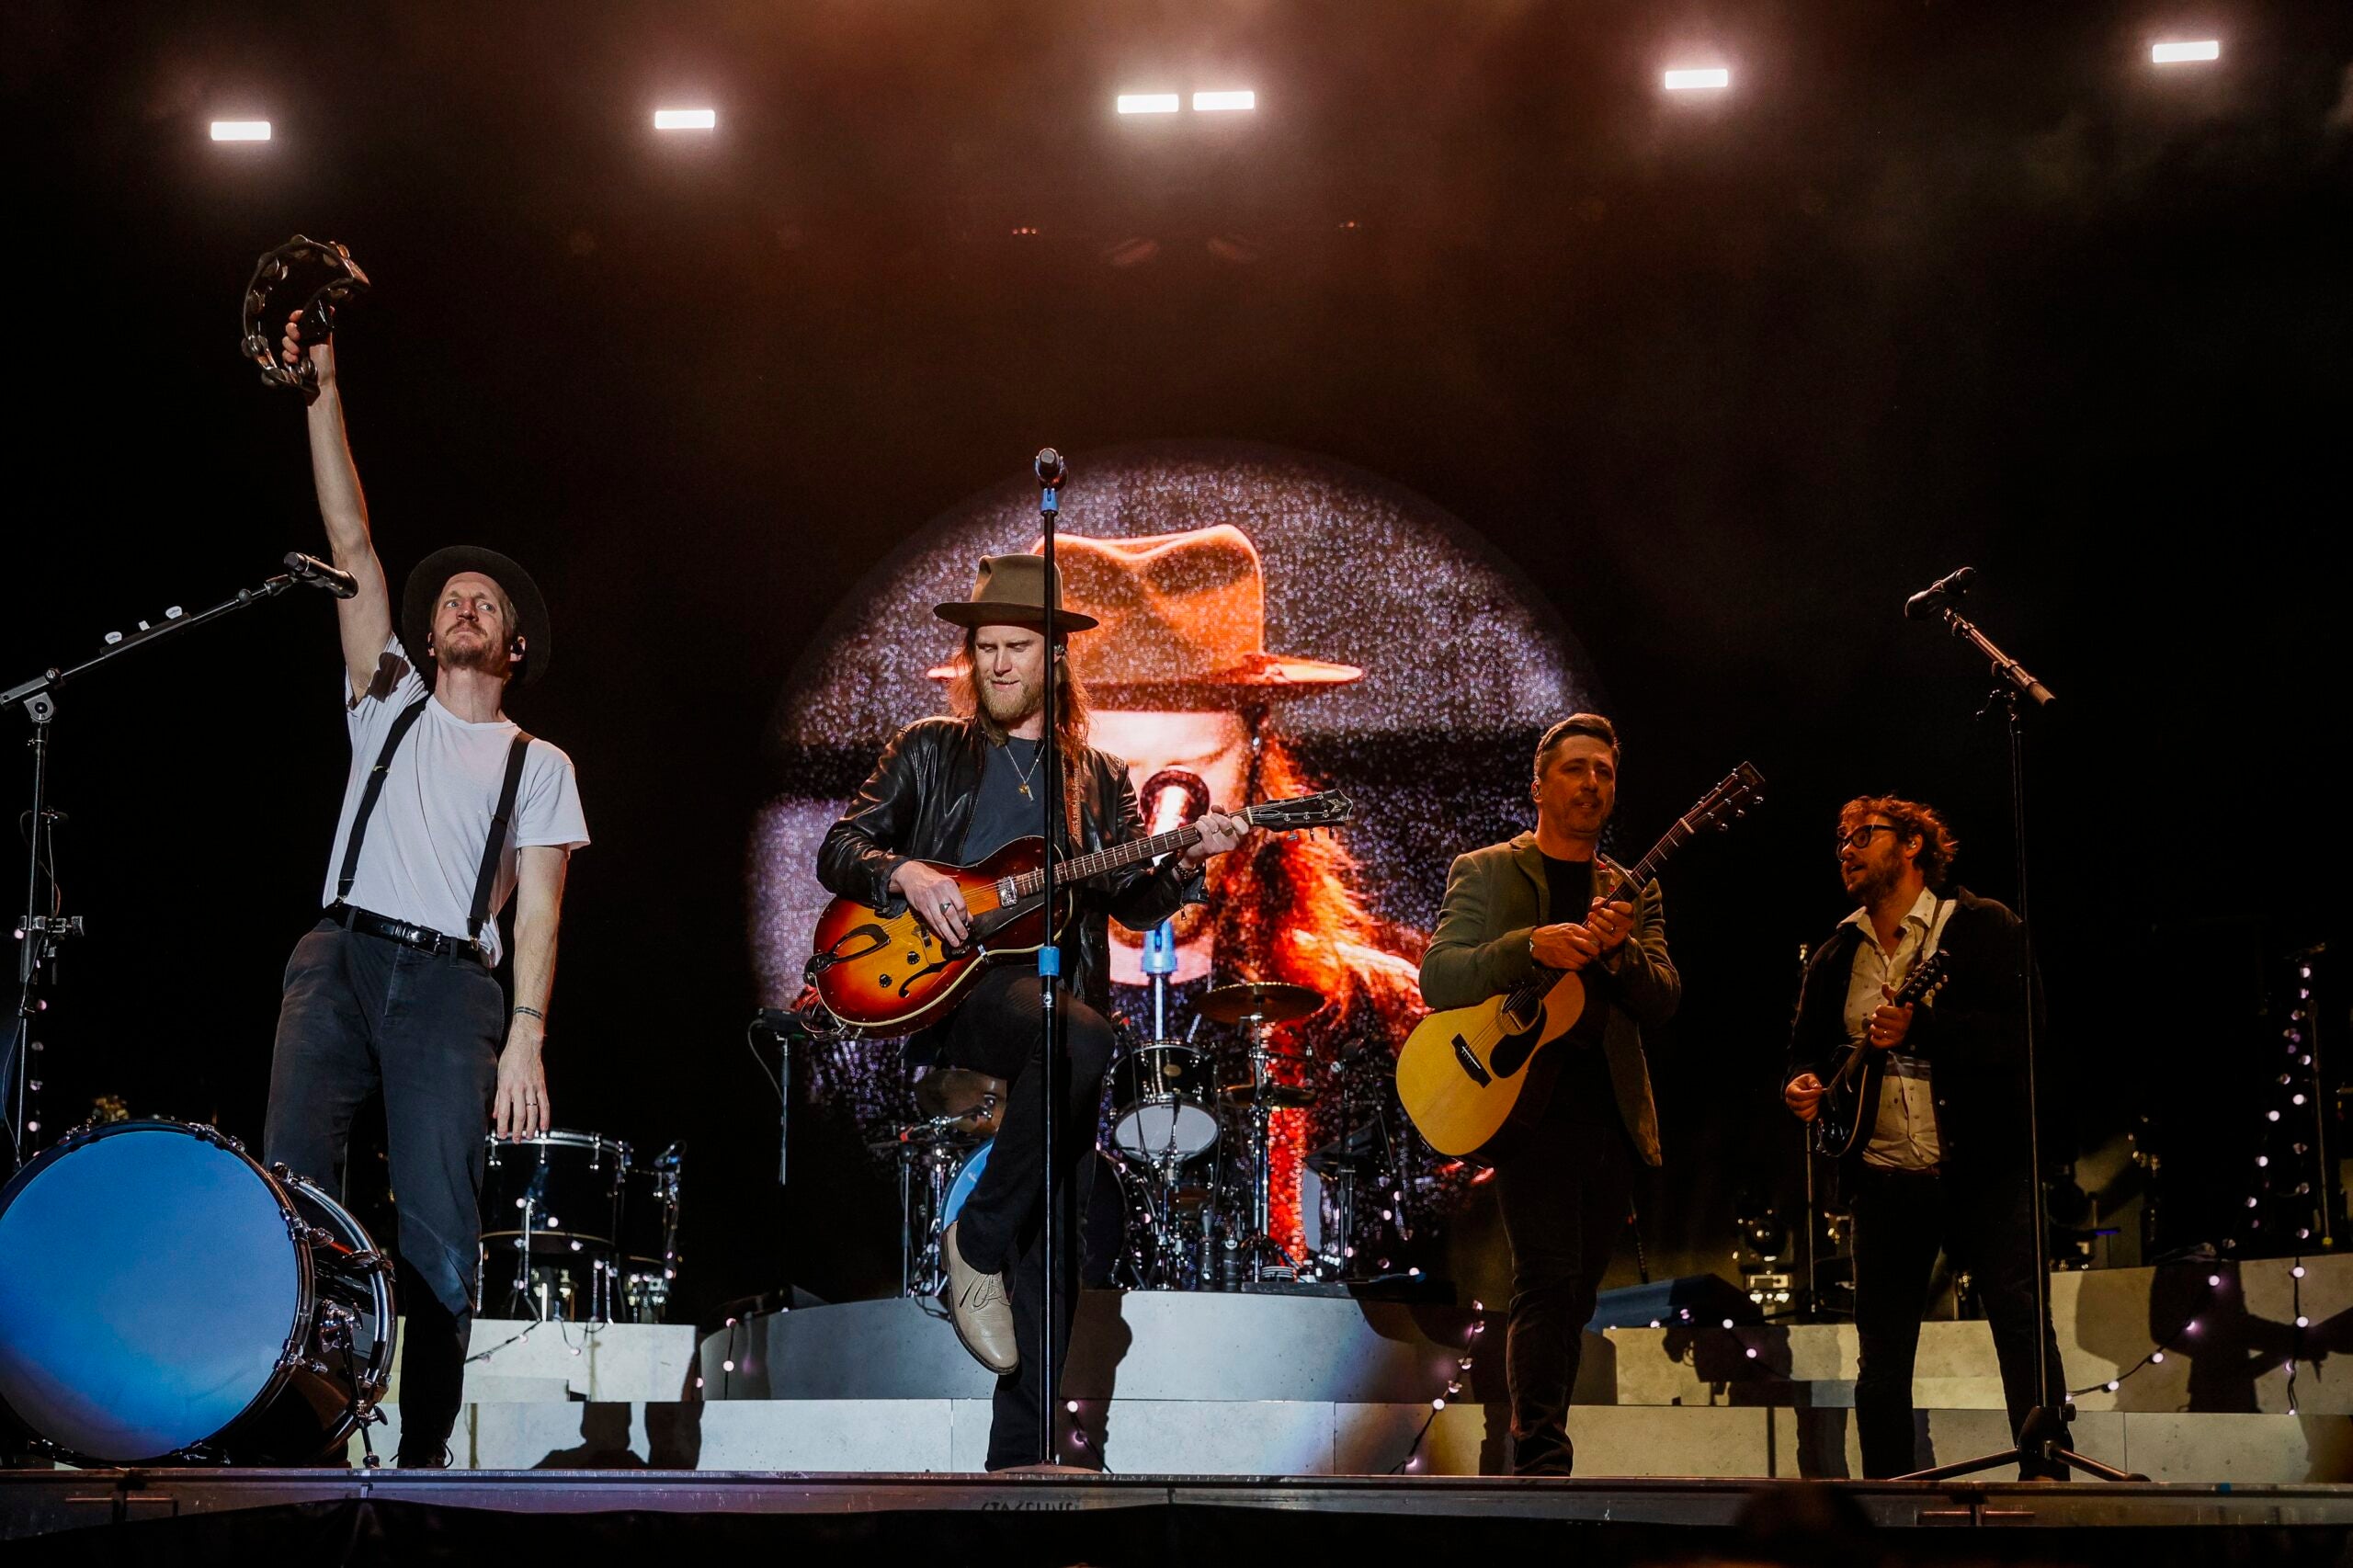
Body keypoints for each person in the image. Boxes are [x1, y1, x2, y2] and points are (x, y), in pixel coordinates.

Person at [818, 553, 1251, 1469]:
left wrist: (1187, 861)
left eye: (1017, 647)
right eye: (985, 648)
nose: (1000, 664)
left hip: (1056, 1022)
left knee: (1054, 1245)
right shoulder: (929, 748)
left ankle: (1018, 1464)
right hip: (955, 997)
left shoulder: (1091, 773)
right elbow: (840, 845)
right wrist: (905, 869)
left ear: (1055, 659)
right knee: (1079, 1030)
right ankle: (973, 1238)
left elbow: (1131, 902)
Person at [260, 310, 589, 1470]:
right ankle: (288, 1429)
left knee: (440, 1226)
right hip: (338, 958)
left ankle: (425, 1449)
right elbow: (348, 529)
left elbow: (541, 905)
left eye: (484, 604)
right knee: (292, 1195)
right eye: (449, 593)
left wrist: (526, 1036)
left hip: (453, 991)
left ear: (511, 649)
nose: (461, 602)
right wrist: (322, 387)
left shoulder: (537, 761)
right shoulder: (383, 697)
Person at [1044, 526, 1427, 1262]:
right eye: (1114, 770)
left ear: (1254, 754)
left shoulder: (1364, 1021)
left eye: (1195, 764)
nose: (1161, 816)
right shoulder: (954, 1018)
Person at [1418, 713, 1679, 1476]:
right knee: (1546, 1275)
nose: (1592, 782)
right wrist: (1526, 947)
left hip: (1609, 1109)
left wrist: (1622, 949)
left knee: (1575, 1292)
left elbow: (1663, 997)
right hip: (1526, 1107)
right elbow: (1440, 976)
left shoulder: (1634, 888)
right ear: (1539, 784)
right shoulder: (1489, 870)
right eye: (1576, 768)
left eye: (1604, 770)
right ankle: (1540, 1453)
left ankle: (1537, 1435)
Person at [1781, 796, 2069, 1480]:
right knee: (1882, 1360)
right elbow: (1803, 1053)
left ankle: (2048, 1478)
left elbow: (2026, 1037)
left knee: (2022, 1328)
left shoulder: (1981, 926)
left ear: (1912, 844)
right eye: (1841, 839)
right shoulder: (1835, 953)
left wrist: (1925, 1032)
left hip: (1985, 1172)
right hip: (1883, 1180)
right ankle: (1887, 1500)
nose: (1846, 849)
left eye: (1863, 836)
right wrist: (1801, 1085)